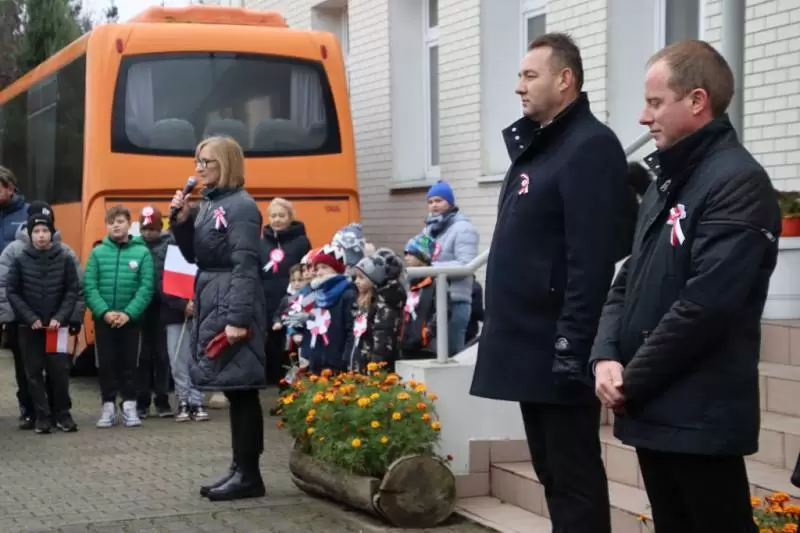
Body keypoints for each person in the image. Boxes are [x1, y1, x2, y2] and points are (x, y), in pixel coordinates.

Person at [590, 40, 780, 533]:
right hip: (656, 407)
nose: (643, 117)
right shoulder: (666, 182)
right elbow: (628, 278)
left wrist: (631, 380)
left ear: (697, 101)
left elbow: (706, 305)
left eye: (655, 103)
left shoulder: (737, 182)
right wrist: (605, 355)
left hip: (699, 415)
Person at [470, 33, 628, 533]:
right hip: (529, 344)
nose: (519, 87)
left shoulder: (590, 146)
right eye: (519, 76)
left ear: (565, 80)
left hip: (558, 345)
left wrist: (571, 344)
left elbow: (590, 259)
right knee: (552, 474)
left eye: (530, 75)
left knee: (572, 475)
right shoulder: (542, 145)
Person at [169, 135, 267, 502]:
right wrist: (182, 222)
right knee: (233, 388)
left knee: (242, 391)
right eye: (197, 161)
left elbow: (245, 264)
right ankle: (239, 468)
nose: (198, 169)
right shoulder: (210, 204)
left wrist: (238, 318)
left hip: (232, 301)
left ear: (224, 164)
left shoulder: (241, 207)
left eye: (205, 162)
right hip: (214, 295)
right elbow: (195, 256)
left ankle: (249, 475)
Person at [0, 200, 84, 429]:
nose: (41, 235)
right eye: (36, 231)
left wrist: (62, 317)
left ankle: (63, 414)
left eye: (45, 230)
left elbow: (73, 290)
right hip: (30, 328)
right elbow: (12, 291)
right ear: (30, 233)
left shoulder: (65, 258)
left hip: (57, 327)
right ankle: (41, 416)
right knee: (33, 372)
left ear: (52, 232)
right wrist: (29, 318)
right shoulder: (19, 259)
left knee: (59, 371)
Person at [84, 205, 155, 429]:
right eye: (111, 222)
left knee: (130, 364)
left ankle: (130, 406)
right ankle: (107, 406)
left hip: (131, 321)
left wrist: (128, 313)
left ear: (129, 224)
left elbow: (146, 288)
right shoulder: (97, 253)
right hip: (104, 320)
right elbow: (90, 286)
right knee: (106, 364)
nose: (115, 225)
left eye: (120, 221)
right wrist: (104, 312)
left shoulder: (142, 253)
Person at [154, 229, 209, 423]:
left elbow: (211, 278)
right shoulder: (166, 250)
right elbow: (161, 282)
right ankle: (183, 398)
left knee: (198, 357)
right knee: (178, 359)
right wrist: (182, 305)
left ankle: (197, 399)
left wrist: (198, 303)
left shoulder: (205, 248)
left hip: (201, 314)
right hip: (174, 315)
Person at [258, 197, 311, 386]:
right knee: (272, 351)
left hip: (294, 305)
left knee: (291, 351)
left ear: (290, 217)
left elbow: (306, 272)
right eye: (273, 216)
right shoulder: (261, 244)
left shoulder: (301, 242)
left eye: (281, 215)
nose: (277, 220)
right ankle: (276, 388)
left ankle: (293, 389)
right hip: (268, 305)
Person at [423, 181, 479, 355]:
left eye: (438, 200)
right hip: (432, 302)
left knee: (453, 355)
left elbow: (466, 265)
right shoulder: (429, 229)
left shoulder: (463, 228)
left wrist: (430, 268)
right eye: (430, 202)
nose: (434, 205)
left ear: (450, 202)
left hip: (456, 302)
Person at [0, 166, 31, 423]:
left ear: (10, 188)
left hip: (16, 297)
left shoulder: (27, 214)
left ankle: (28, 406)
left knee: (23, 356)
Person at [136, 206, 173, 419]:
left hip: (163, 307)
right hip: (141, 309)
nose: (148, 233)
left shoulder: (170, 246)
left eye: (152, 229)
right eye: (144, 229)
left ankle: (162, 399)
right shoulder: (134, 246)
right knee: (142, 356)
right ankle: (142, 401)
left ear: (160, 228)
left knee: (162, 355)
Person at [345, 250, 406, 372]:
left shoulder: (384, 308)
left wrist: (373, 371)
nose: (356, 281)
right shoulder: (364, 304)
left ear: (374, 280)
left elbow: (382, 345)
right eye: (356, 277)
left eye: (361, 277)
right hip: (360, 367)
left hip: (373, 372)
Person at [302, 244, 356, 375]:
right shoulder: (317, 295)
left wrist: (346, 359)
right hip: (317, 362)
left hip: (337, 364)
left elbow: (351, 331)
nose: (319, 272)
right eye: (317, 268)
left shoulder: (347, 295)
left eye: (324, 267)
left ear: (337, 269)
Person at [400, 233, 443, 360]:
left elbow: (443, 311)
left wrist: (426, 333)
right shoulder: (408, 281)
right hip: (406, 344)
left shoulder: (436, 282)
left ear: (423, 256)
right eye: (405, 253)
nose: (406, 257)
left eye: (411, 253)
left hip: (426, 347)